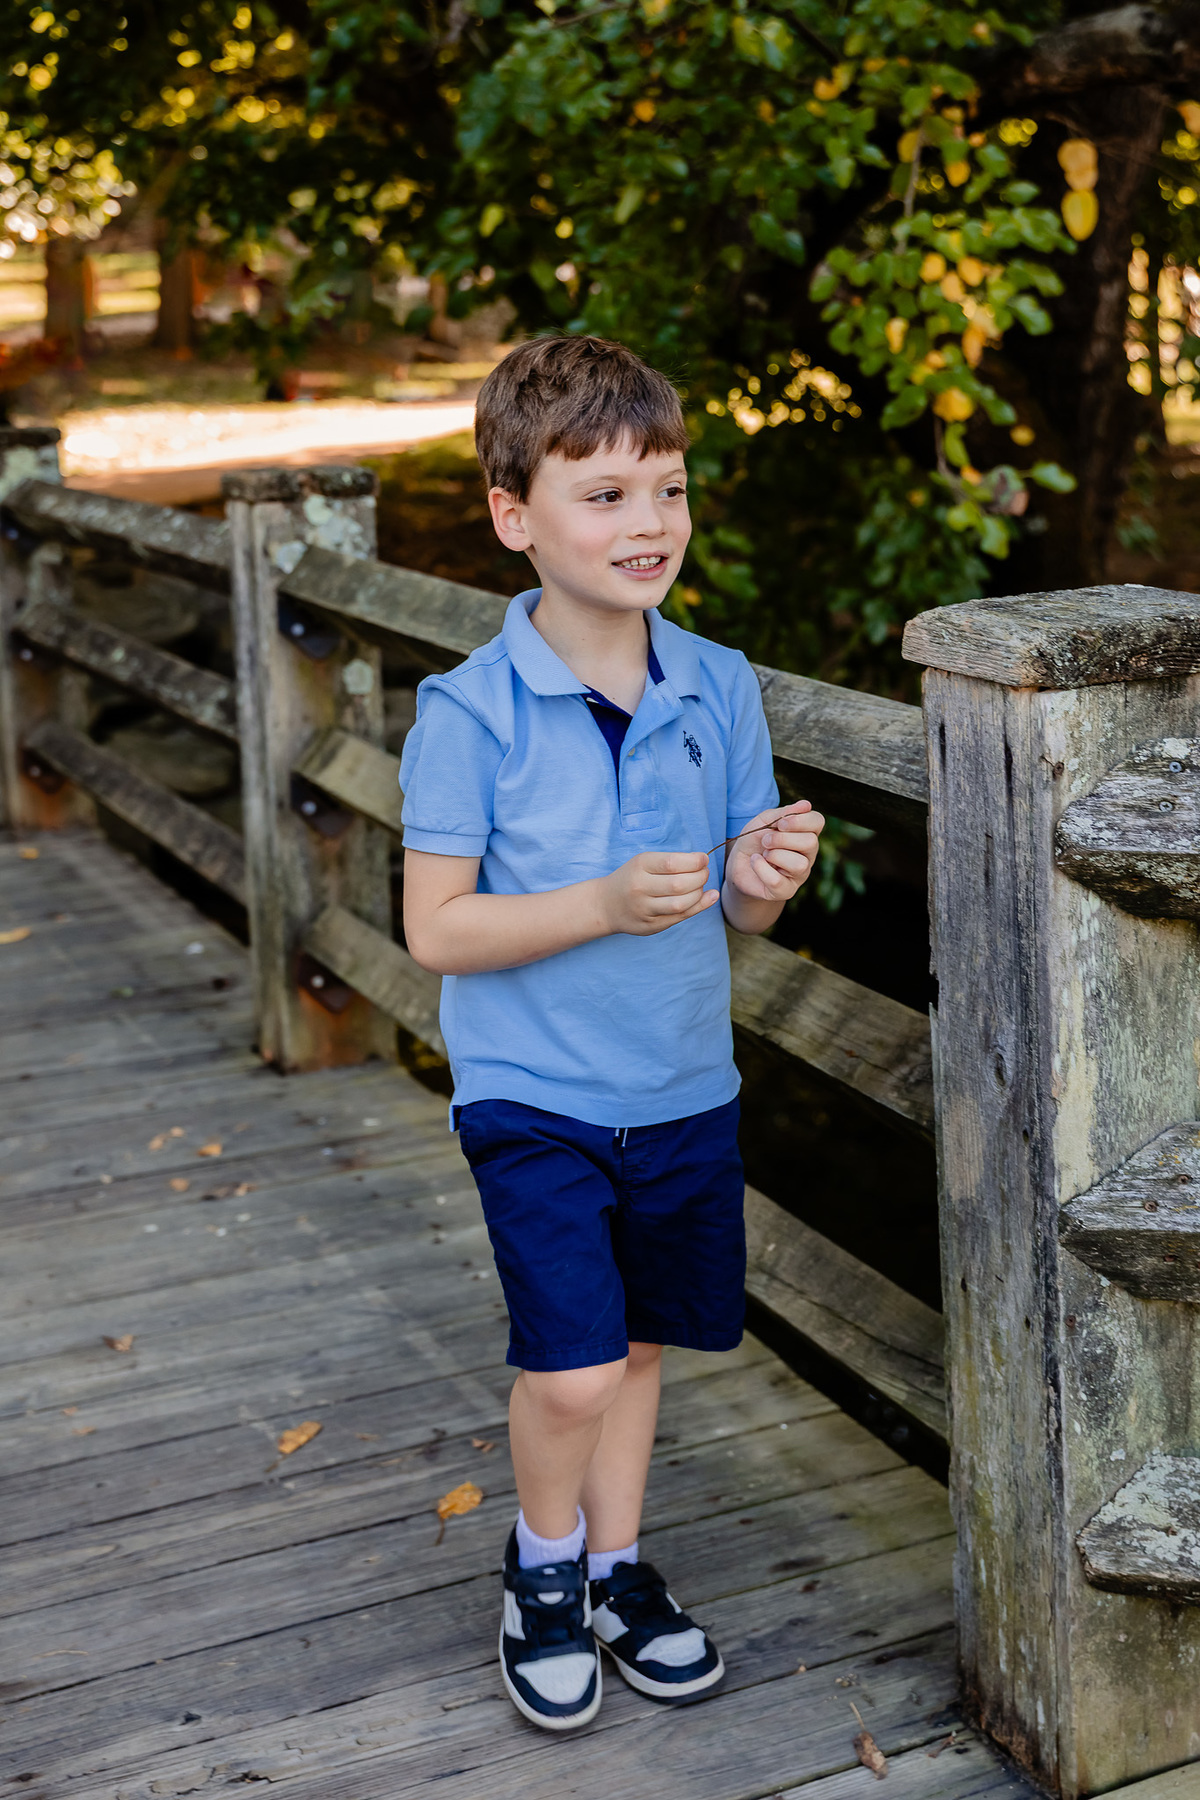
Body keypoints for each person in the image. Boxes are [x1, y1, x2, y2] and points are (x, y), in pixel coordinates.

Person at [400, 335, 824, 1731]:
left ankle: (617, 1567)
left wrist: (763, 877)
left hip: (683, 1083)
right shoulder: (468, 714)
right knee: (574, 1363)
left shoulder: (719, 683)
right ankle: (541, 1567)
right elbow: (435, 930)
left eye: (670, 489)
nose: (650, 523)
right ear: (514, 516)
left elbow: (738, 910)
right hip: (534, 1094)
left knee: (638, 1349)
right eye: (604, 495)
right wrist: (594, 903)